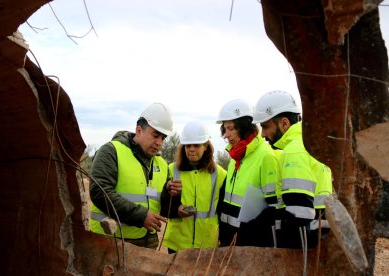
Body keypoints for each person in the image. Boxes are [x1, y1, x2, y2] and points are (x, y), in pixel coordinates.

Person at [89, 102, 180, 249]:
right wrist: (141, 216)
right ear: (138, 130)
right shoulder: (111, 151)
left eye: (163, 138)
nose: (159, 143)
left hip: (146, 243)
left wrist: (171, 195)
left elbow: (163, 209)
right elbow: (99, 191)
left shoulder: (162, 164)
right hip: (111, 242)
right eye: (155, 135)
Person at [253, 90, 333, 249]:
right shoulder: (314, 146)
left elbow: (298, 215)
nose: (262, 134)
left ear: (284, 123)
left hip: (303, 246)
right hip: (320, 238)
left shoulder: (293, 152)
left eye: (265, 126)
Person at [216, 99, 280, 247]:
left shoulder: (266, 157)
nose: (226, 135)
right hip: (227, 241)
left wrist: (248, 232)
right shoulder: (235, 157)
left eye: (231, 128)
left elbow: (274, 208)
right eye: (225, 129)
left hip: (250, 245)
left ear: (245, 127)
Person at [160, 121, 227, 252]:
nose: (191, 149)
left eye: (196, 145)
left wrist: (224, 239)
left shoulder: (220, 174)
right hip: (177, 244)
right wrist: (176, 209)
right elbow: (163, 207)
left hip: (206, 244)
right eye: (187, 145)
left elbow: (223, 211)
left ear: (206, 146)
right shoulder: (171, 170)